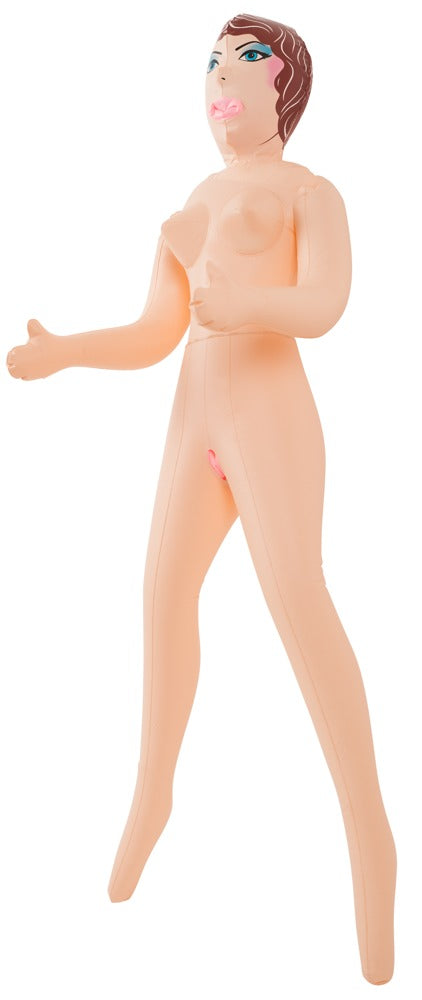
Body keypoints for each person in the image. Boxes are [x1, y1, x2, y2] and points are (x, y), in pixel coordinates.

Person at [6, 12, 397, 986]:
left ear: (285, 86)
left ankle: (369, 832)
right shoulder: (193, 199)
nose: (222, 76)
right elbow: (156, 330)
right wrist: (67, 352)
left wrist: (248, 302)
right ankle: (153, 793)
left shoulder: (311, 192)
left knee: (296, 600)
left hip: (268, 409)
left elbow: (325, 304)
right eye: (212, 61)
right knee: (160, 594)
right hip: (194, 411)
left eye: (246, 59)